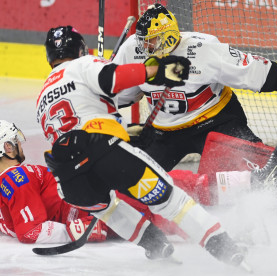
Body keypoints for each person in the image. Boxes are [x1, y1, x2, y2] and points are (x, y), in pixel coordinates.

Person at [35, 25, 248, 267]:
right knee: (170, 200)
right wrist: (159, 70)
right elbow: (113, 79)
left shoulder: (42, 95)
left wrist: (124, 134)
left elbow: (74, 128)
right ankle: (225, 248)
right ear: (81, 48)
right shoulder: (84, 65)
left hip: (69, 182)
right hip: (101, 151)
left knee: (108, 209)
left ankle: (155, 244)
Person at [112, 3, 277, 172]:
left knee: (253, 167)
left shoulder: (203, 48)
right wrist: (95, 98)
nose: (144, 46)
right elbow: (117, 93)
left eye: (150, 40)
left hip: (214, 122)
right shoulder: (131, 50)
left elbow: (249, 69)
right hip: (163, 131)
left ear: (167, 38)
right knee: (130, 176)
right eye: (142, 40)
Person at [0, 120, 108, 244]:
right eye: (16, 141)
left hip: (94, 200)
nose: (20, 145)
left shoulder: (9, 180)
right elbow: (30, 232)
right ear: (8, 147)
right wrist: (73, 231)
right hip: (97, 205)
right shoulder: (16, 177)